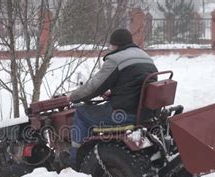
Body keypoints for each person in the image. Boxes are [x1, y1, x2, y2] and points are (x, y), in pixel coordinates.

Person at [67, 28, 158, 166]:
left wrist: (72, 97)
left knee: (80, 113)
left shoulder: (116, 59)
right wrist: (115, 93)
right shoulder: (145, 56)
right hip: (144, 112)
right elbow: (136, 84)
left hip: (123, 114)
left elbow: (94, 86)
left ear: (115, 45)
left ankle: (75, 162)